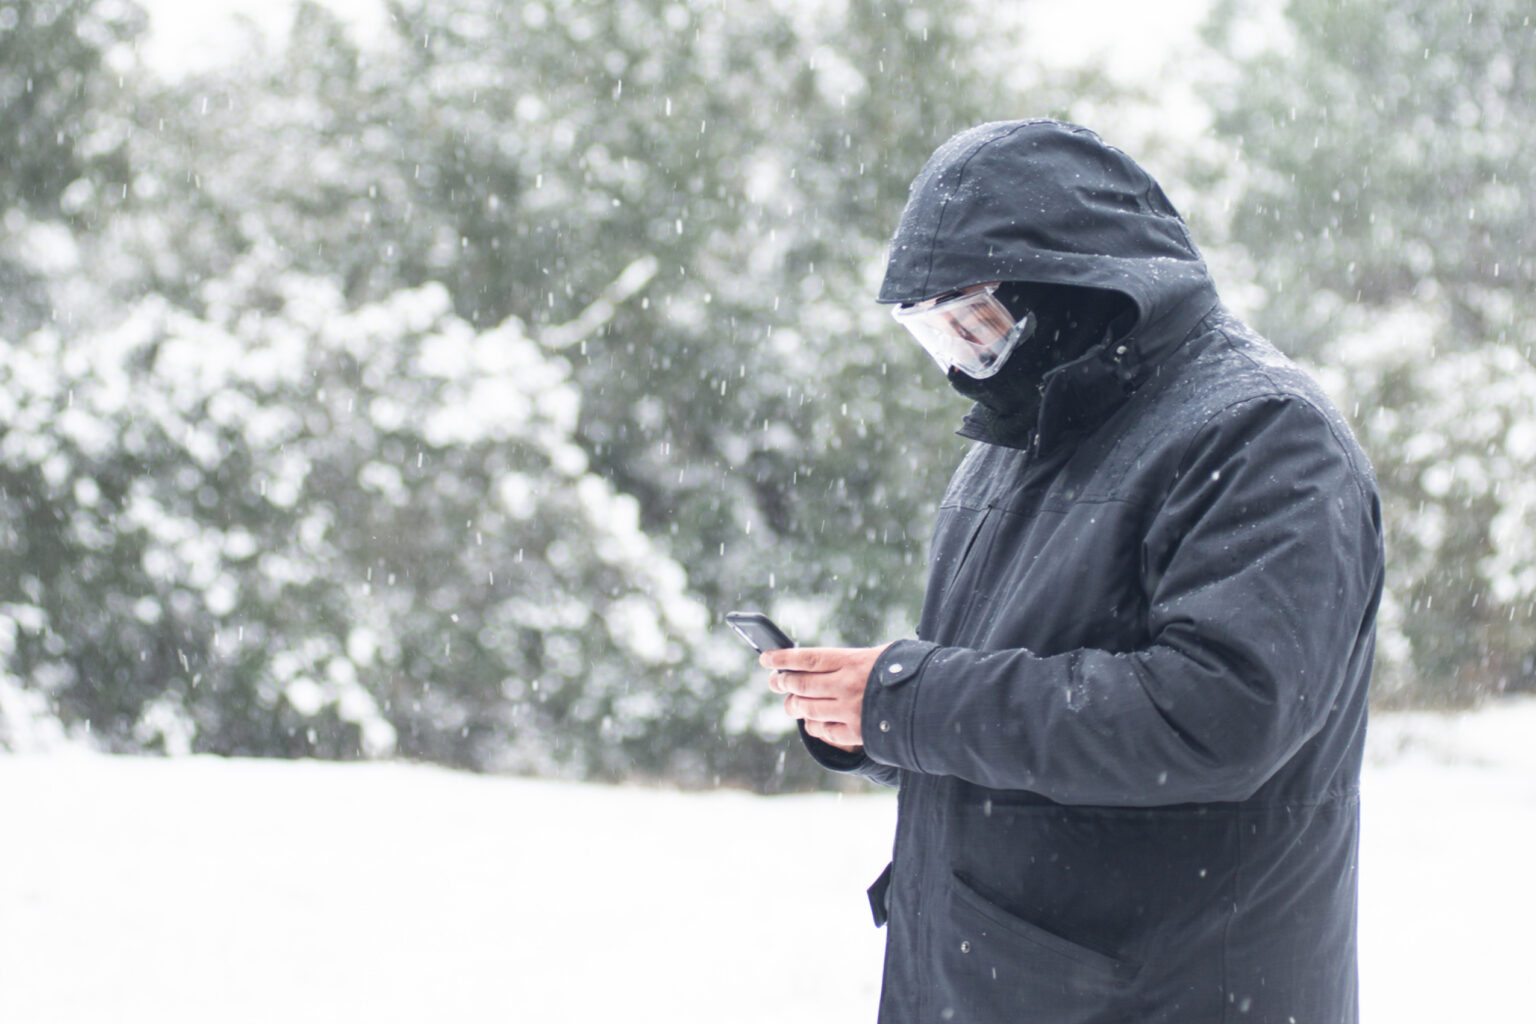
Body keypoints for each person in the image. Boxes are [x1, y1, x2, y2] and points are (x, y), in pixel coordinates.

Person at [759, 119, 1384, 1024]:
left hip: (1165, 989)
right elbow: (1013, 701)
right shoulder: (1021, 440)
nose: (967, 364)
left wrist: (911, 700)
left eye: (975, 322)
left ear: (1076, 284)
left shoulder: (1263, 436)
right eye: (936, 337)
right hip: (1003, 978)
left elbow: (1218, 716)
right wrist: (875, 720)